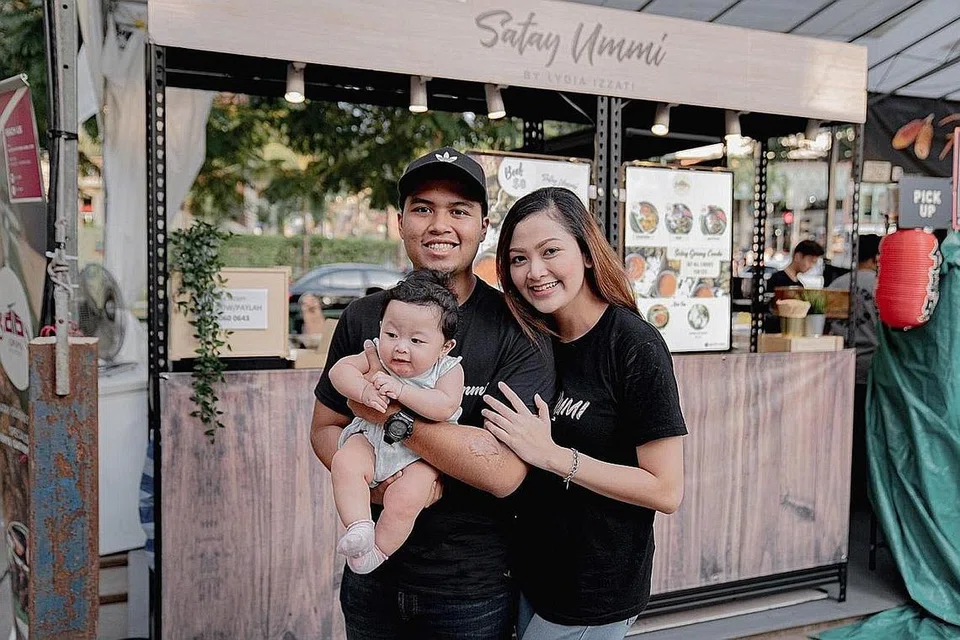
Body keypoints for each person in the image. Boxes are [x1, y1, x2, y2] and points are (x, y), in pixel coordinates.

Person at [310, 147, 556, 640]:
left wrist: (388, 415)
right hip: (371, 579)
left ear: (483, 226)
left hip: (471, 589)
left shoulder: (518, 326)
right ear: (400, 221)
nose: (439, 225)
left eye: (459, 211)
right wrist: (376, 483)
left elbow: (504, 472)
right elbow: (325, 427)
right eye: (423, 208)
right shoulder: (364, 317)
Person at [482, 187, 686, 640]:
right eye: (518, 259)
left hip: (594, 590)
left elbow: (666, 490)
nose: (534, 272)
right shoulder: (532, 341)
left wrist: (554, 456)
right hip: (529, 575)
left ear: (588, 253)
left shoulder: (633, 344)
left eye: (550, 251)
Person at [329, 270, 464, 575]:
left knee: (407, 498)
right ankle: (360, 526)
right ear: (381, 329)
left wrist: (402, 392)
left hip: (421, 454)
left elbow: (445, 406)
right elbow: (339, 372)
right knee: (346, 462)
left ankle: (378, 551)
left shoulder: (448, 370)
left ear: (445, 347)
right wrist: (363, 390)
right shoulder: (375, 354)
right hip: (371, 437)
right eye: (392, 335)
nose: (401, 347)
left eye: (416, 340)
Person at [828, 234, 881, 511]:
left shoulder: (837, 284)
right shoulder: (880, 285)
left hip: (836, 371)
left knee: (840, 435)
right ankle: (861, 496)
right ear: (876, 257)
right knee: (864, 435)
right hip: (869, 371)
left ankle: (840, 490)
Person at [764, 239, 825, 333]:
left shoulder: (800, 285)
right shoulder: (777, 279)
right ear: (798, 256)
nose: (811, 266)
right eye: (810, 261)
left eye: (814, 263)